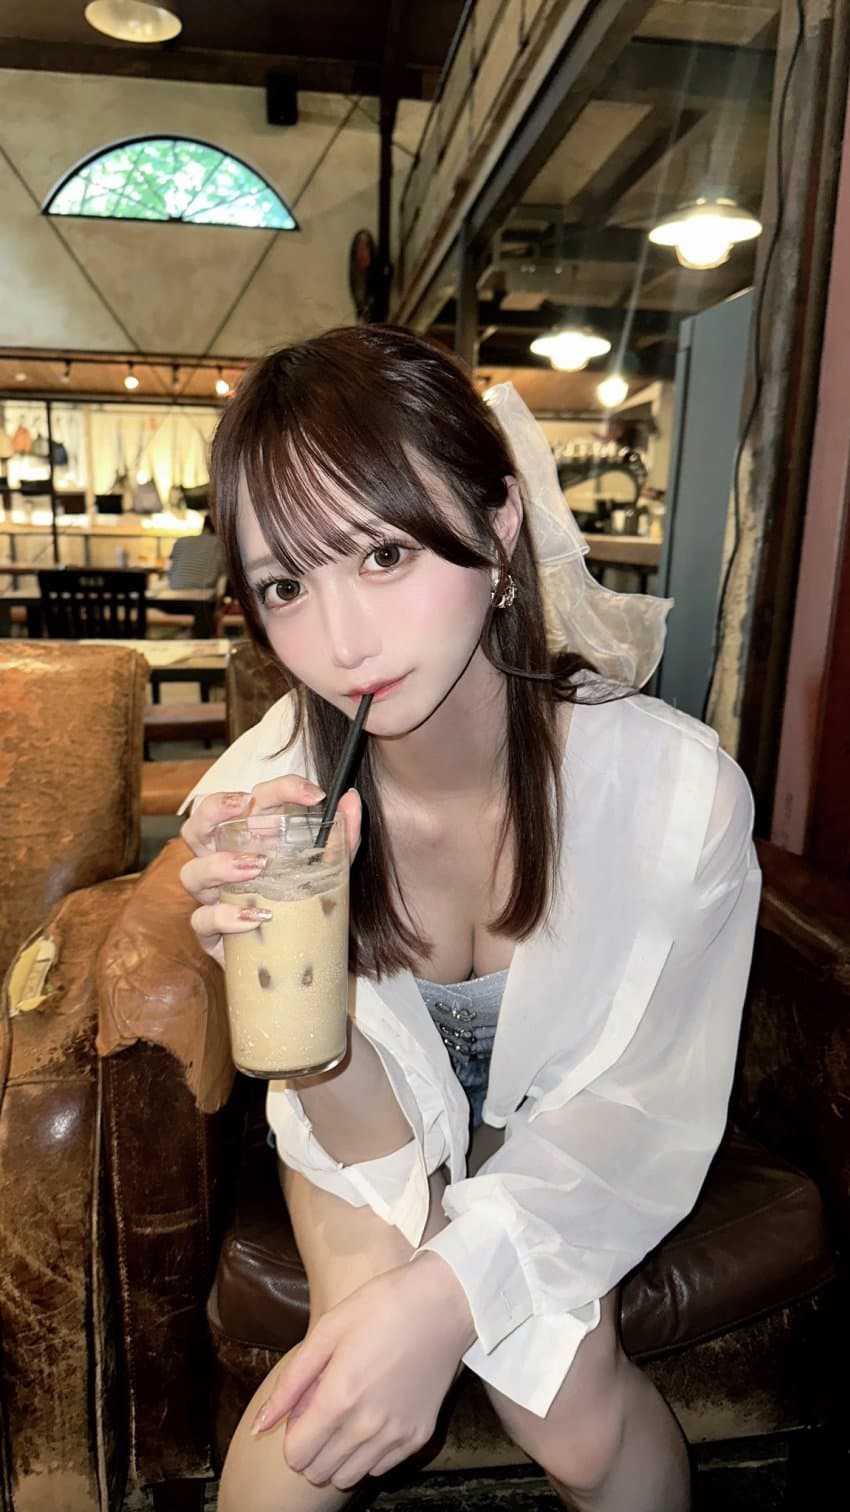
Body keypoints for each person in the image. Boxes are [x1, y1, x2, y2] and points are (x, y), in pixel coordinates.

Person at [178, 325, 762, 1512]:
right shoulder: (271, 808)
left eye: (384, 553)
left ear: (498, 526)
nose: (341, 643)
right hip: (368, 1113)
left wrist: (450, 1299)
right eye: (287, 586)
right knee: (330, 1387)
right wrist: (286, 973)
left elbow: (638, 1109)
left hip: (578, 1121)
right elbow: (332, 1094)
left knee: (573, 1416)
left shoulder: (672, 803)